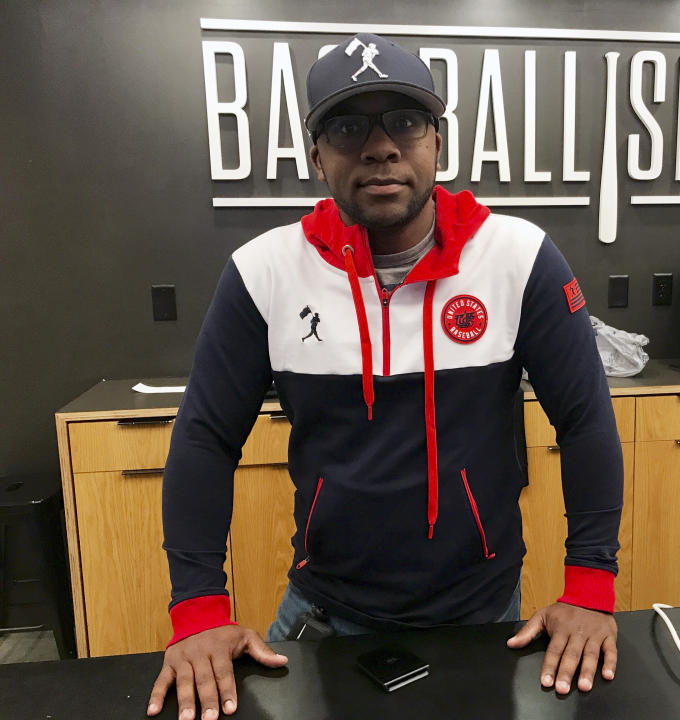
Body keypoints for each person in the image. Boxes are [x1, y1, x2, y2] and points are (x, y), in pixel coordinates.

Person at [147, 33, 623, 720]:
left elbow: (585, 420)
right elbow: (203, 440)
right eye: (348, 126)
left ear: (438, 141)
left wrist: (589, 587)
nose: (380, 146)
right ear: (317, 156)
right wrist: (196, 611)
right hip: (323, 617)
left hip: (483, 614)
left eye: (404, 121)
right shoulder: (264, 273)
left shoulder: (518, 258)